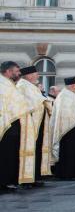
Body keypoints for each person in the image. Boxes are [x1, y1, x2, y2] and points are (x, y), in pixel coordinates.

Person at [0, 62, 36, 191]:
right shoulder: (3, 84)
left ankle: (8, 181)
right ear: (8, 72)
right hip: (7, 126)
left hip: (14, 126)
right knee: (5, 156)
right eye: (16, 71)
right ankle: (3, 182)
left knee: (11, 156)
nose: (19, 73)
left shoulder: (9, 84)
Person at [16, 66, 53, 186]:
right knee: (29, 150)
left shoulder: (31, 87)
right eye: (36, 74)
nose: (37, 76)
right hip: (29, 123)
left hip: (38, 122)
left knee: (37, 149)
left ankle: (35, 177)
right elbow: (24, 104)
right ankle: (26, 179)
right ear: (29, 75)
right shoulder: (22, 86)